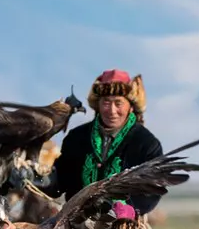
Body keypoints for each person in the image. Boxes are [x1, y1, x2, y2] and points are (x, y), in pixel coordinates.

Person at [51, 70, 166, 207]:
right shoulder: (76, 138)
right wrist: (37, 179)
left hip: (125, 224)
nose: (111, 110)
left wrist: (126, 210)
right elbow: (60, 182)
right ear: (97, 105)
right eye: (106, 102)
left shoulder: (147, 144)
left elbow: (151, 193)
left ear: (130, 107)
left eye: (118, 103)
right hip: (75, 222)